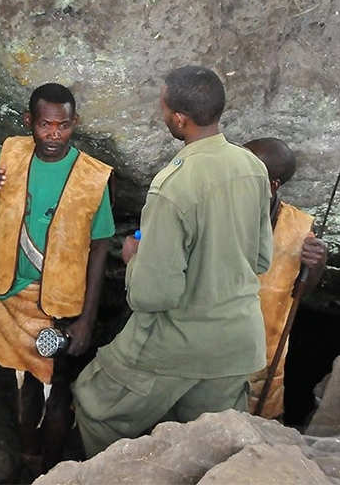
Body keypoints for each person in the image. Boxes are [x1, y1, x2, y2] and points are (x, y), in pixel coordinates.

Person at [71, 65, 273, 457]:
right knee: (210, 448)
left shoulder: (172, 186)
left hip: (176, 341)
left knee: (95, 404)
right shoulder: (252, 167)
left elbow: (152, 294)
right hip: (237, 344)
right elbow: (262, 257)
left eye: (163, 108)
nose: (163, 114)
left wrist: (134, 258)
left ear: (179, 118)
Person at [0, 83, 114, 479]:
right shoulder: (11, 155)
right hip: (8, 295)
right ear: (28, 122)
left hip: (61, 305)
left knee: (56, 386)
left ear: (74, 124)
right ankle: (30, 458)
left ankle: (51, 466)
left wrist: (87, 318)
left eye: (63, 126)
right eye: (45, 125)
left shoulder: (91, 176)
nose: (53, 135)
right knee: (18, 384)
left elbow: (101, 248)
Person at [243, 137, 329, 419]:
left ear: (272, 186)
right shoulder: (218, 207)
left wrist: (316, 265)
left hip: (263, 348)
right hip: (210, 337)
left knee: (259, 414)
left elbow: (302, 293)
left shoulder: (299, 228)